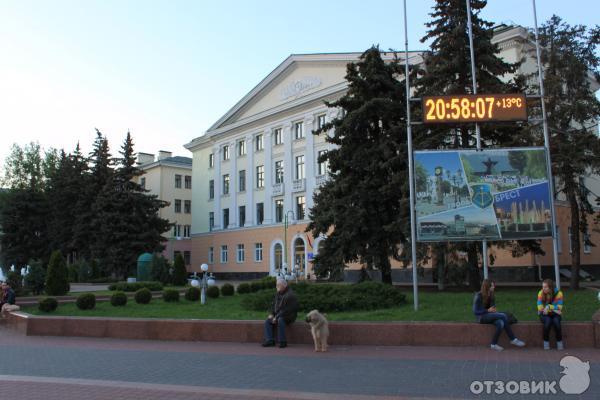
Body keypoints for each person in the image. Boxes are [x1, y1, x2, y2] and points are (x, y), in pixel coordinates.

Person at [473, 279, 526, 351]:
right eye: (492, 286)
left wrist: (493, 310)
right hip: (481, 317)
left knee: (500, 323)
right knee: (503, 315)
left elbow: (492, 307)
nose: (493, 287)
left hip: (490, 315)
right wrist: (487, 310)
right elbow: (475, 311)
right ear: (487, 287)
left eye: (493, 286)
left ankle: (493, 344)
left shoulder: (491, 295)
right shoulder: (478, 296)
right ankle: (513, 339)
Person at [262, 278, 298, 348]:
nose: (276, 287)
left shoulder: (290, 295)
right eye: (276, 285)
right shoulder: (278, 293)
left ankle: (283, 342)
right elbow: (273, 305)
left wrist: (276, 317)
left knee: (280, 320)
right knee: (267, 321)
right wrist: (272, 314)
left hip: (289, 316)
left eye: (278, 285)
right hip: (278, 315)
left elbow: (287, 310)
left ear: (284, 285)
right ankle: (270, 340)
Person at [537, 279, 564, 350]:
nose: (543, 289)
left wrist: (549, 307)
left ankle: (559, 342)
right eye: (543, 287)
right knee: (548, 322)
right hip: (544, 314)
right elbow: (540, 307)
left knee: (556, 322)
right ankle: (546, 342)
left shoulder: (558, 293)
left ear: (550, 287)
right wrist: (553, 309)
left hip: (554, 314)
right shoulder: (540, 293)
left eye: (545, 287)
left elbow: (560, 307)